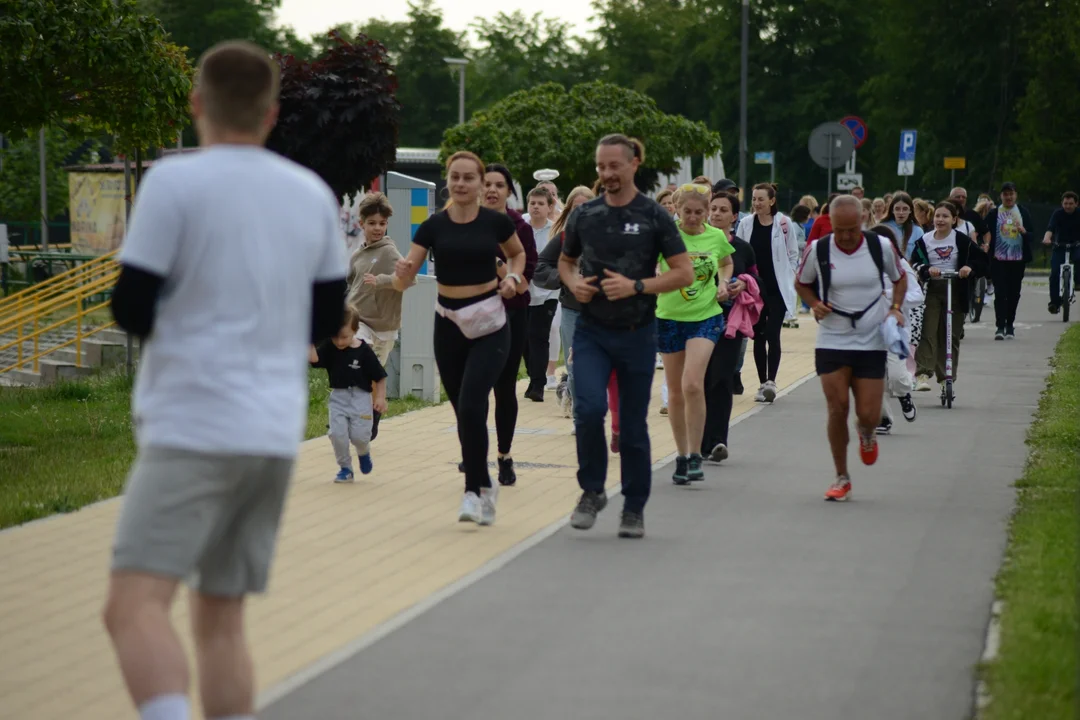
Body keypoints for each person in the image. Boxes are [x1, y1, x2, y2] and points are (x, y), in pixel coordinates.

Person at [103, 41, 349, 720]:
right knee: (223, 619)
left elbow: (131, 305)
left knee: (133, 605)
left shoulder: (175, 182)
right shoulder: (310, 194)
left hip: (192, 424)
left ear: (196, 104)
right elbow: (328, 315)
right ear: (271, 114)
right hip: (270, 433)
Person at [560, 134, 692, 539]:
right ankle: (592, 490)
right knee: (587, 410)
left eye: (614, 166)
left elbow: (682, 272)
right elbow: (565, 261)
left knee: (632, 426)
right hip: (591, 331)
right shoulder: (585, 216)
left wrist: (638, 287)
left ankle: (633, 507)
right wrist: (574, 283)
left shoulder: (654, 215)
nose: (606, 174)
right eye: (601, 167)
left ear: (635, 163)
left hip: (637, 333)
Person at [395, 151, 526, 525]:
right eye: (455, 177)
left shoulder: (495, 223)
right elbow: (405, 277)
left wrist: (513, 279)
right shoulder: (433, 226)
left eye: (469, 178)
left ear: (482, 184)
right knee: (463, 413)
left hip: (489, 324)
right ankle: (485, 483)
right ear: (447, 180)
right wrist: (402, 274)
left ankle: (472, 492)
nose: (461, 184)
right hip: (448, 323)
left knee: (472, 404)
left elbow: (516, 256)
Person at [795, 195, 906, 502]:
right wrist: (815, 304)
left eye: (851, 230)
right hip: (832, 338)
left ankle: (867, 433)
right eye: (839, 229)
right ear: (830, 223)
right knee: (837, 407)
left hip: (871, 339)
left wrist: (895, 308)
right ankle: (841, 476)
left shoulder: (879, 247)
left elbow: (900, 278)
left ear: (862, 222)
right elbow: (801, 283)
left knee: (868, 415)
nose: (844, 237)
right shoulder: (818, 250)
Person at [658, 184, 734, 484]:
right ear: (676, 209)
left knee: (692, 383)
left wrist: (723, 283)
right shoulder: (666, 235)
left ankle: (695, 454)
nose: (693, 218)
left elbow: (727, 262)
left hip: (705, 316)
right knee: (675, 390)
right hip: (668, 316)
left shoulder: (715, 236)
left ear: (707, 211)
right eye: (687, 211)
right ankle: (681, 455)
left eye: (699, 212)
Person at [702, 191, 759, 462]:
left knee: (722, 379)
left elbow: (759, 281)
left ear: (734, 216)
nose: (716, 213)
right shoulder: (696, 242)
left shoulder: (743, 248)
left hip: (729, 323)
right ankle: (698, 440)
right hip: (697, 321)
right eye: (713, 208)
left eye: (723, 210)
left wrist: (744, 283)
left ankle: (717, 441)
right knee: (699, 381)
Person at [909, 201, 986, 399]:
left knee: (950, 334)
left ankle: (947, 378)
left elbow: (980, 260)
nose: (940, 220)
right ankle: (923, 373)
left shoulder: (961, 240)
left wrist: (968, 268)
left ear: (954, 219)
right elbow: (915, 261)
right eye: (938, 216)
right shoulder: (925, 241)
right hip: (932, 290)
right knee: (929, 330)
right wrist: (927, 269)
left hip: (956, 289)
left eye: (945, 216)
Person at [533, 186, 597, 422]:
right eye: (576, 208)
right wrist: (566, 277)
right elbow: (541, 268)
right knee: (576, 366)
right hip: (572, 310)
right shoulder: (563, 238)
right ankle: (581, 416)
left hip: (604, 312)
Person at [734, 183, 800, 403]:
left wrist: (789, 275)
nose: (756, 203)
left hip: (777, 289)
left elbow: (793, 254)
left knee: (773, 334)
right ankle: (762, 383)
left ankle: (771, 381)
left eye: (760, 199)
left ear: (771, 201)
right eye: (753, 199)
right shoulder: (745, 224)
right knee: (758, 336)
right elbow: (740, 252)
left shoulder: (783, 224)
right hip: (755, 290)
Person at [309, 308, 389, 480]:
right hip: (338, 398)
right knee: (338, 435)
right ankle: (345, 468)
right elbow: (315, 359)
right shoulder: (330, 347)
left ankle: (363, 452)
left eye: (344, 337)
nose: (339, 342)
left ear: (355, 331)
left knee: (360, 437)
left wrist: (380, 398)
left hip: (361, 398)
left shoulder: (364, 352)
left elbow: (380, 376)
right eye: (335, 336)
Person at [347, 192, 413, 365]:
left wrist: (381, 280)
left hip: (383, 327)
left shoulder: (389, 251)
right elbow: (351, 283)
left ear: (387, 224)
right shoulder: (356, 255)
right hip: (359, 321)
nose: (377, 228)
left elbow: (408, 279)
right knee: (358, 357)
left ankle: (372, 392)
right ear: (362, 224)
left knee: (373, 376)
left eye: (382, 223)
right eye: (372, 223)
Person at [868, 224, 922, 434]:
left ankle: (904, 395)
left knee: (898, 376)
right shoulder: (865, 267)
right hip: (870, 331)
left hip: (895, 330)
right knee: (875, 378)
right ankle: (883, 418)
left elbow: (917, 296)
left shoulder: (901, 266)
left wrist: (890, 297)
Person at [985, 182, 1034, 340]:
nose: (1008, 197)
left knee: (1014, 294)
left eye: (1011, 194)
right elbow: (984, 232)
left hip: (1018, 259)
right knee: (1000, 293)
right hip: (998, 259)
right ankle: (999, 326)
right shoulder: (994, 214)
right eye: (1005, 194)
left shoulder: (1023, 213)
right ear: (1001, 196)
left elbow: (1033, 236)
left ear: (1016, 195)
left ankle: (1009, 325)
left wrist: (1024, 232)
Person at [524, 186, 560, 400]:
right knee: (523, 340)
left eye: (540, 204)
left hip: (548, 293)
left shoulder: (555, 231)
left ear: (549, 207)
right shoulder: (521, 227)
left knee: (539, 336)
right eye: (532, 203)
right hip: (523, 291)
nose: (536, 207)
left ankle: (538, 384)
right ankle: (533, 375)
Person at [1044, 190, 1080, 314]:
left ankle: (1078, 282)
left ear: (1076, 204)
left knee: (1079, 259)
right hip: (1060, 245)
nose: (1068, 206)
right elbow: (1050, 228)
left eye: (1070, 203)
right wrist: (1047, 238)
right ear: (1062, 203)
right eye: (1065, 203)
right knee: (1054, 273)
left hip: (1077, 244)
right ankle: (1054, 303)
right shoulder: (1057, 214)